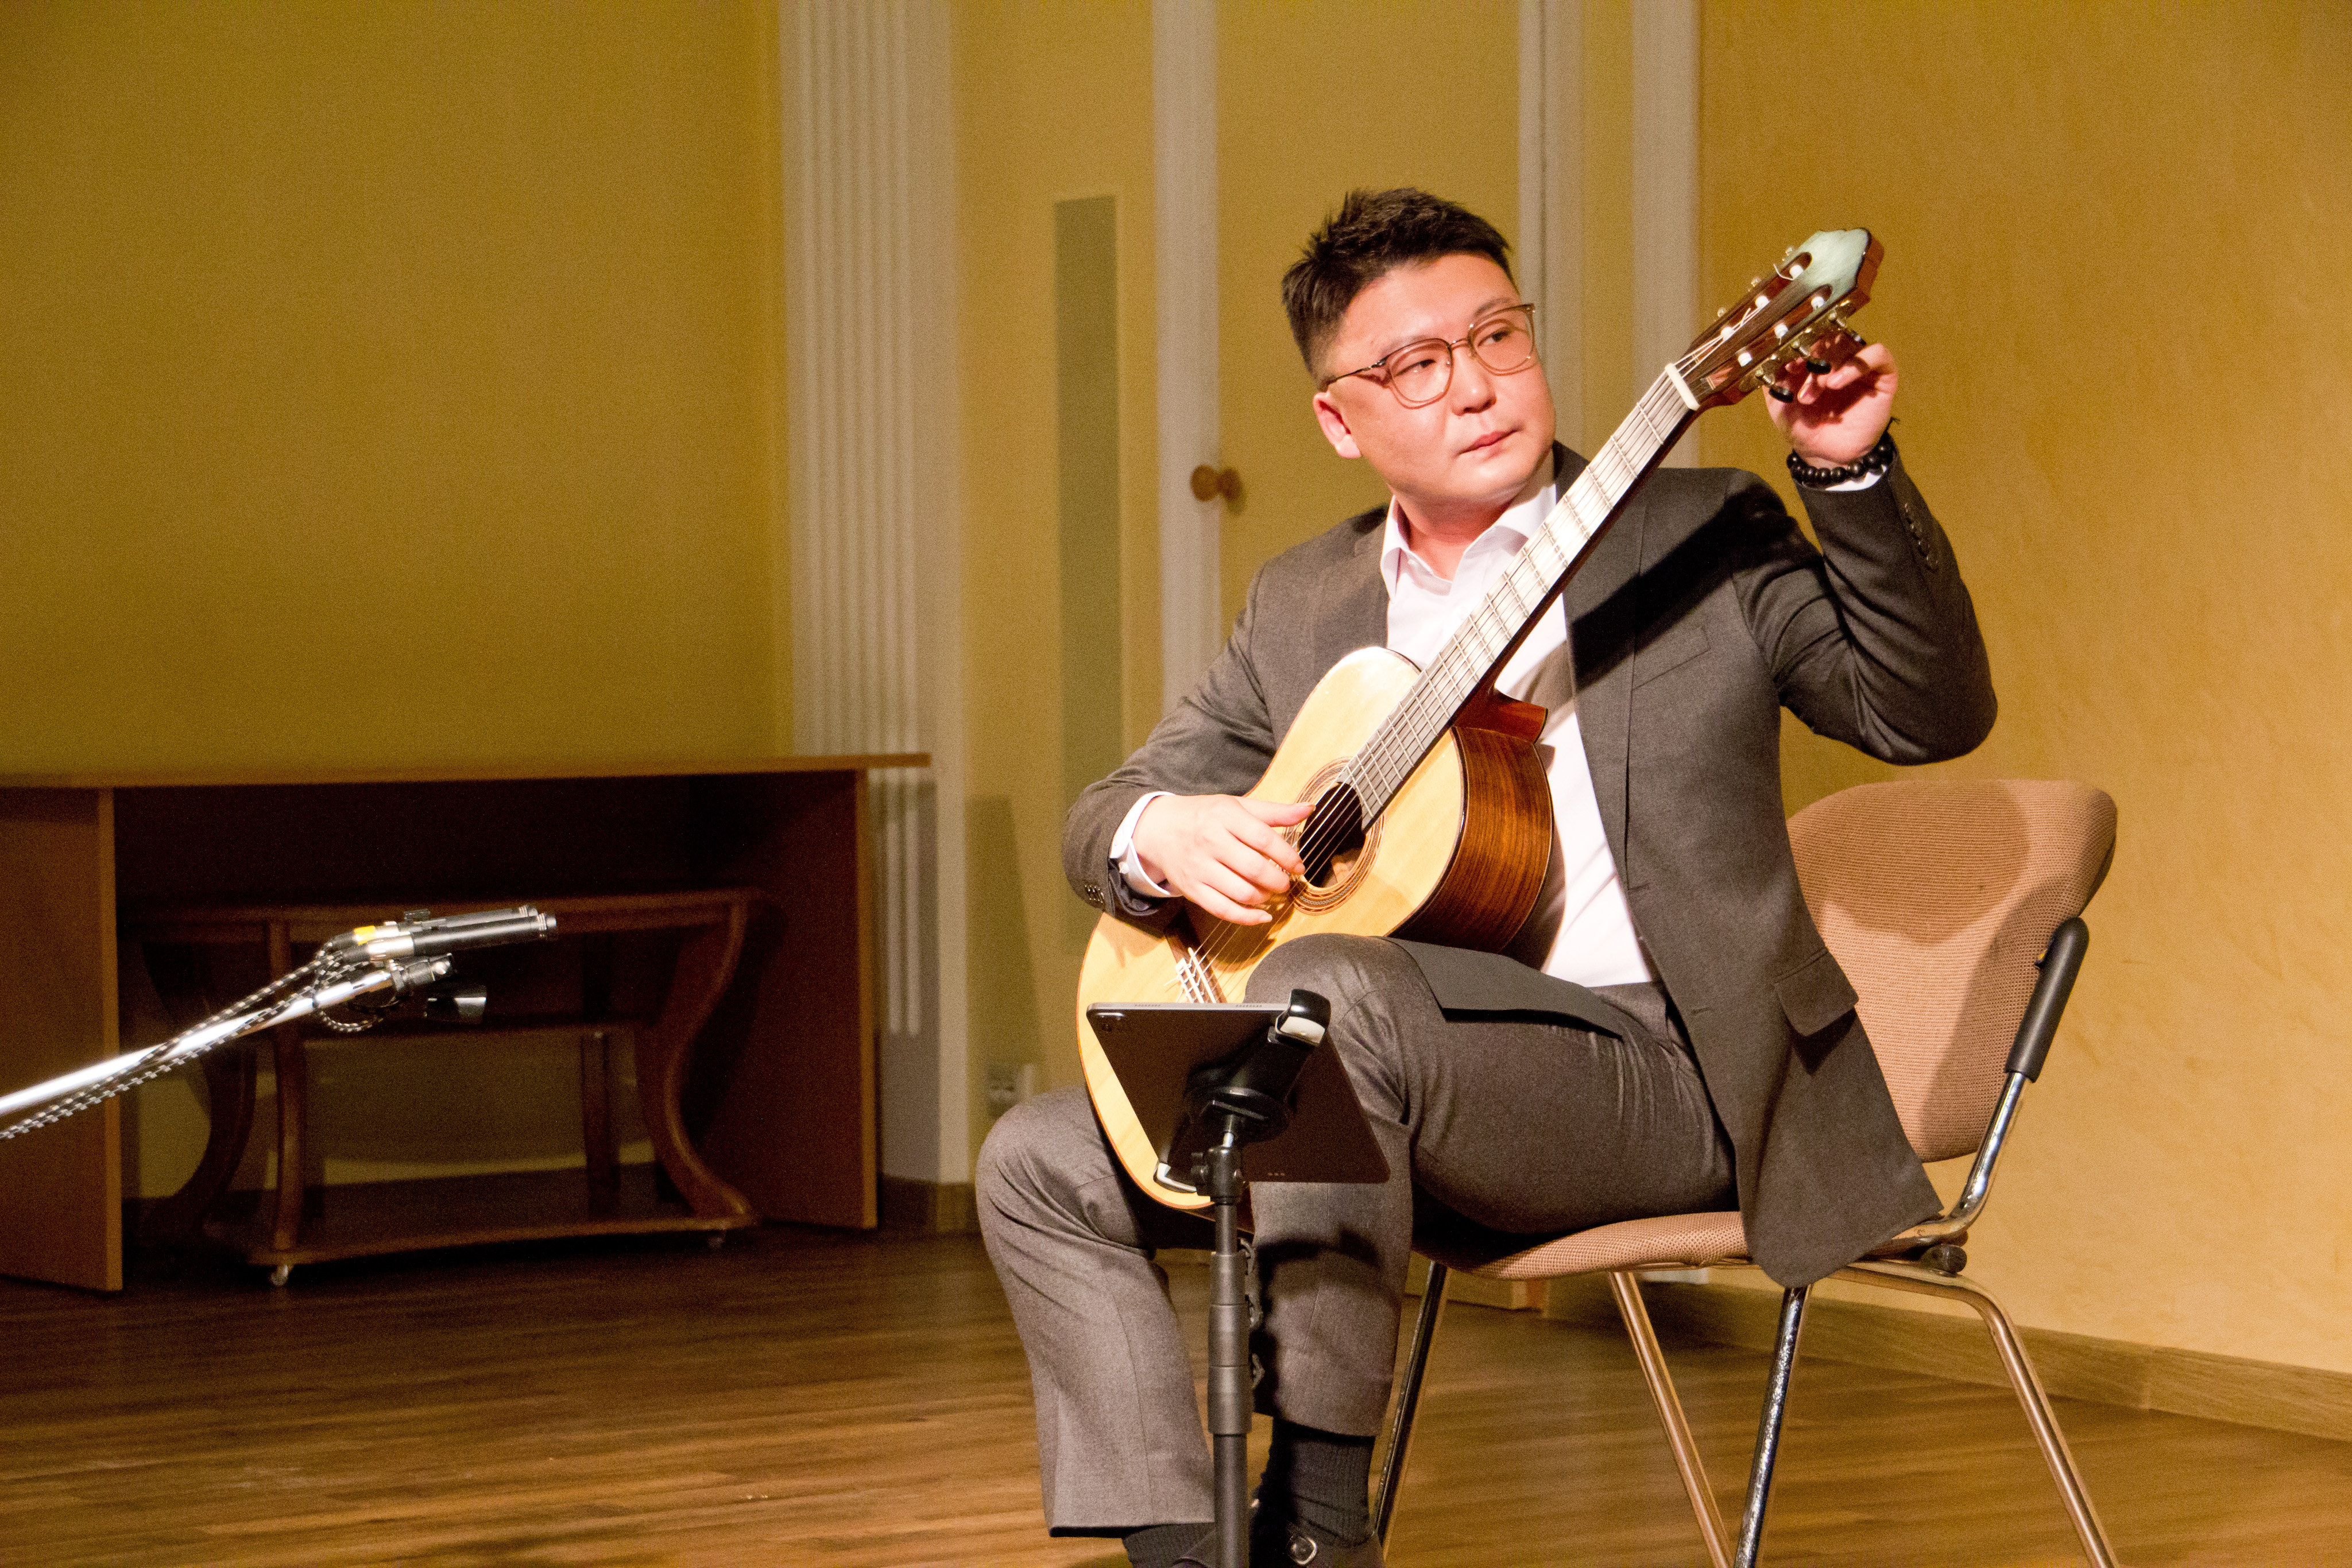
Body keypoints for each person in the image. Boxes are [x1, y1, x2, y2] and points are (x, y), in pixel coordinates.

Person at [978, 188, 1994, 1568]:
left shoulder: (1696, 531)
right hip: (1385, 1090)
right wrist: (1161, 832)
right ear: (1339, 420)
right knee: (1036, 1157)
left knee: (1324, 995)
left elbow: (1925, 714)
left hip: (1667, 1075)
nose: (1473, 385)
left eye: (1495, 336)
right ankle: (1182, 1556)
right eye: (1413, 365)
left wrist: (1848, 473)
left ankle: (1315, 1529)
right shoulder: (1302, 600)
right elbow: (1102, 812)